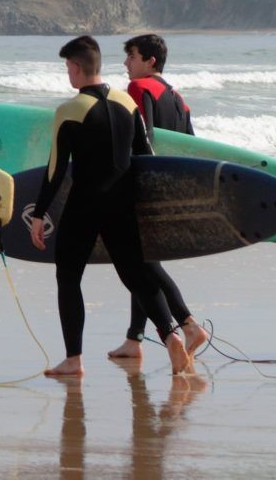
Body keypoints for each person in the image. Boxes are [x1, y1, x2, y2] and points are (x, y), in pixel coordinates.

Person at [30, 36, 190, 377]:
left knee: (69, 277)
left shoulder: (70, 111)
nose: (68, 74)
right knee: (135, 273)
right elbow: (146, 158)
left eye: (67, 68)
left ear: (75, 67)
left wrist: (39, 214)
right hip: (123, 204)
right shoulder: (127, 104)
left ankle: (73, 360)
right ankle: (171, 336)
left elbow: (56, 170)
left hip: (85, 205)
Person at [108, 34, 209, 361]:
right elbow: (191, 147)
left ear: (150, 61)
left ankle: (187, 324)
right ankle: (134, 339)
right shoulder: (179, 99)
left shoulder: (139, 89)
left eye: (132, 57)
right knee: (144, 262)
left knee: (141, 264)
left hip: (145, 185)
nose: (126, 64)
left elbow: (142, 138)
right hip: (171, 187)